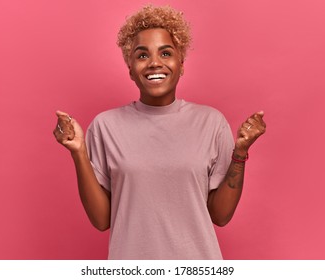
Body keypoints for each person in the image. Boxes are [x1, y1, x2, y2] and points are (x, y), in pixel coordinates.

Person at [53, 5, 266, 260]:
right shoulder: (105, 126)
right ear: (130, 68)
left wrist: (240, 153)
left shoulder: (211, 122)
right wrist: (78, 152)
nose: (155, 63)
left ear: (181, 64)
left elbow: (220, 216)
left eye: (166, 53)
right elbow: (101, 221)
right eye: (142, 55)